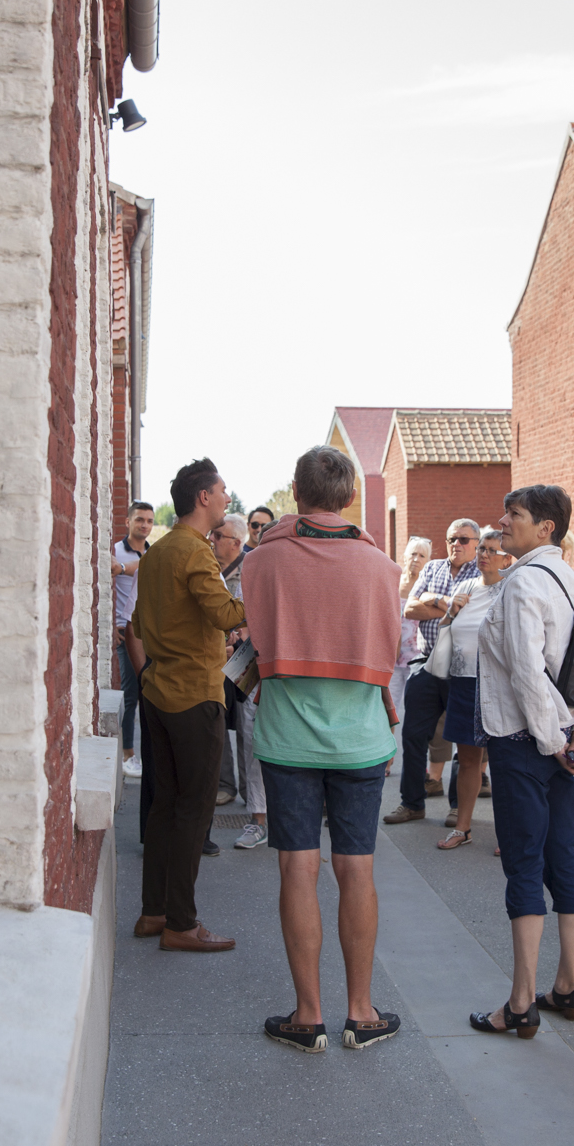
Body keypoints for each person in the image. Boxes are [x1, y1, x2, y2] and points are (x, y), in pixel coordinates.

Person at [240, 447, 404, 1051]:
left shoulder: (264, 560)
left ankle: (307, 1016)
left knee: (296, 866)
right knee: (355, 868)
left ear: (294, 490)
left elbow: (252, 632)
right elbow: (393, 650)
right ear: (350, 497)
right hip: (360, 739)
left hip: (288, 737)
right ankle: (361, 1012)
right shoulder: (379, 565)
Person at [469, 486, 574, 1039]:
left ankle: (522, 1001)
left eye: (515, 516)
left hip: (526, 742)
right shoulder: (573, 580)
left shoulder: (523, 581)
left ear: (545, 528)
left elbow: (526, 671)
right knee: (561, 859)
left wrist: (554, 742)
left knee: (524, 865)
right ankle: (567, 985)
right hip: (559, 740)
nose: (503, 522)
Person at [132, 459, 245, 952]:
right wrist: (267, 597)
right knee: (194, 812)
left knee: (164, 808)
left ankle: (154, 912)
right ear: (203, 498)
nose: (226, 497)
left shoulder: (157, 551)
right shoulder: (196, 552)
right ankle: (181, 923)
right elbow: (224, 614)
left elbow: (137, 624)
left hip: (158, 691)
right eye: (222, 491)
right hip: (194, 696)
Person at [387, 520, 481, 823]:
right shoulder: (433, 568)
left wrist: (431, 601)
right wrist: (446, 604)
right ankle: (412, 803)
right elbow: (409, 608)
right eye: (452, 538)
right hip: (426, 663)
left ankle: (457, 807)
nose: (457, 543)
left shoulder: (482, 572)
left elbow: (474, 615)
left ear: (476, 543)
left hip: (463, 668)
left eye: (464, 539)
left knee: (462, 740)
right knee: (413, 735)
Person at [437, 528, 510, 850]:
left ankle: (509, 833)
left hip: (498, 686)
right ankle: (462, 828)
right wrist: (452, 610)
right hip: (464, 683)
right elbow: (445, 632)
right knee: (467, 760)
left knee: (504, 761)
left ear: (507, 558)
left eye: (492, 550)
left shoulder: (511, 589)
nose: (483, 554)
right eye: (481, 548)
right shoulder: (465, 587)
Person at [208, 515, 270, 849]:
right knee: (250, 737)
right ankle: (257, 818)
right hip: (255, 667)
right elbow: (242, 618)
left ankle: (285, 812)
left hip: (291, 672)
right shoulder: (253, 571)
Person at [113, 502, 154, 779]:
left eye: (150, 521)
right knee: (130, 695)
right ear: (128, 521)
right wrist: (110, 625)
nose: (145, 525)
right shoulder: (115, 551)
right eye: (139, 519)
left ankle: (145, 754)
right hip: (123, 632)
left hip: (148, 634)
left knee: (148, 694)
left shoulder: (153, 553)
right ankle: (128, 754)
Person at [391, 537, 432, 726]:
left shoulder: (428, 587)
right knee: (388, 710)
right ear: (404, 557)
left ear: (427, 561)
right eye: (413, 554)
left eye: (422, 555)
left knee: (414, 712)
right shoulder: (393, 583)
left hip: (417, 659)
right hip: (392, 658)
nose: (416, 559)